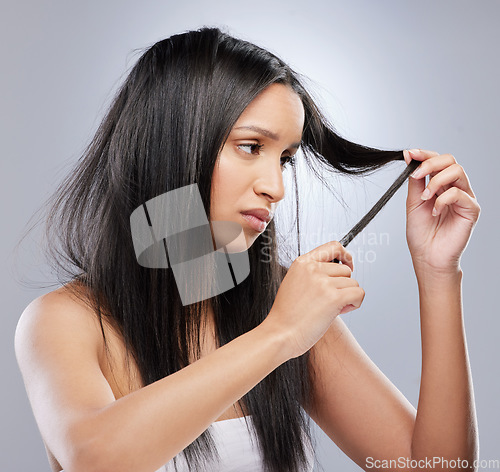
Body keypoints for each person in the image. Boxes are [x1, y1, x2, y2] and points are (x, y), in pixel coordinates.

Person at [14, 27, 480, 472]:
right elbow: (96, 459)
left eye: (285, 159)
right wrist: (278, 335)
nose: (275, 187)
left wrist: (438, 274)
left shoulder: (284, 304)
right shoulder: (64, 321)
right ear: (173, 142)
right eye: (251, 146)